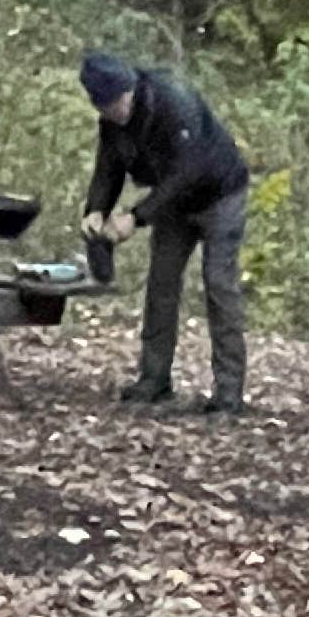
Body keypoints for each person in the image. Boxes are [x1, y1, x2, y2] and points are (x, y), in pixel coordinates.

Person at [80, 50, 252, 412]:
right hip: (172, 203)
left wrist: (136, 217)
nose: (116, 110)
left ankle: (229, 393)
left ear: (131, 89)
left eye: (119, 101)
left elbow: (187, 171)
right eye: (106, 105)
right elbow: (108, 168)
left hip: (219, 194)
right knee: (161, 284)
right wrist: (96, 210)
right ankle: (154, 378)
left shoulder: (174, 102)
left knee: (219, 285)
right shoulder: (111, 124)